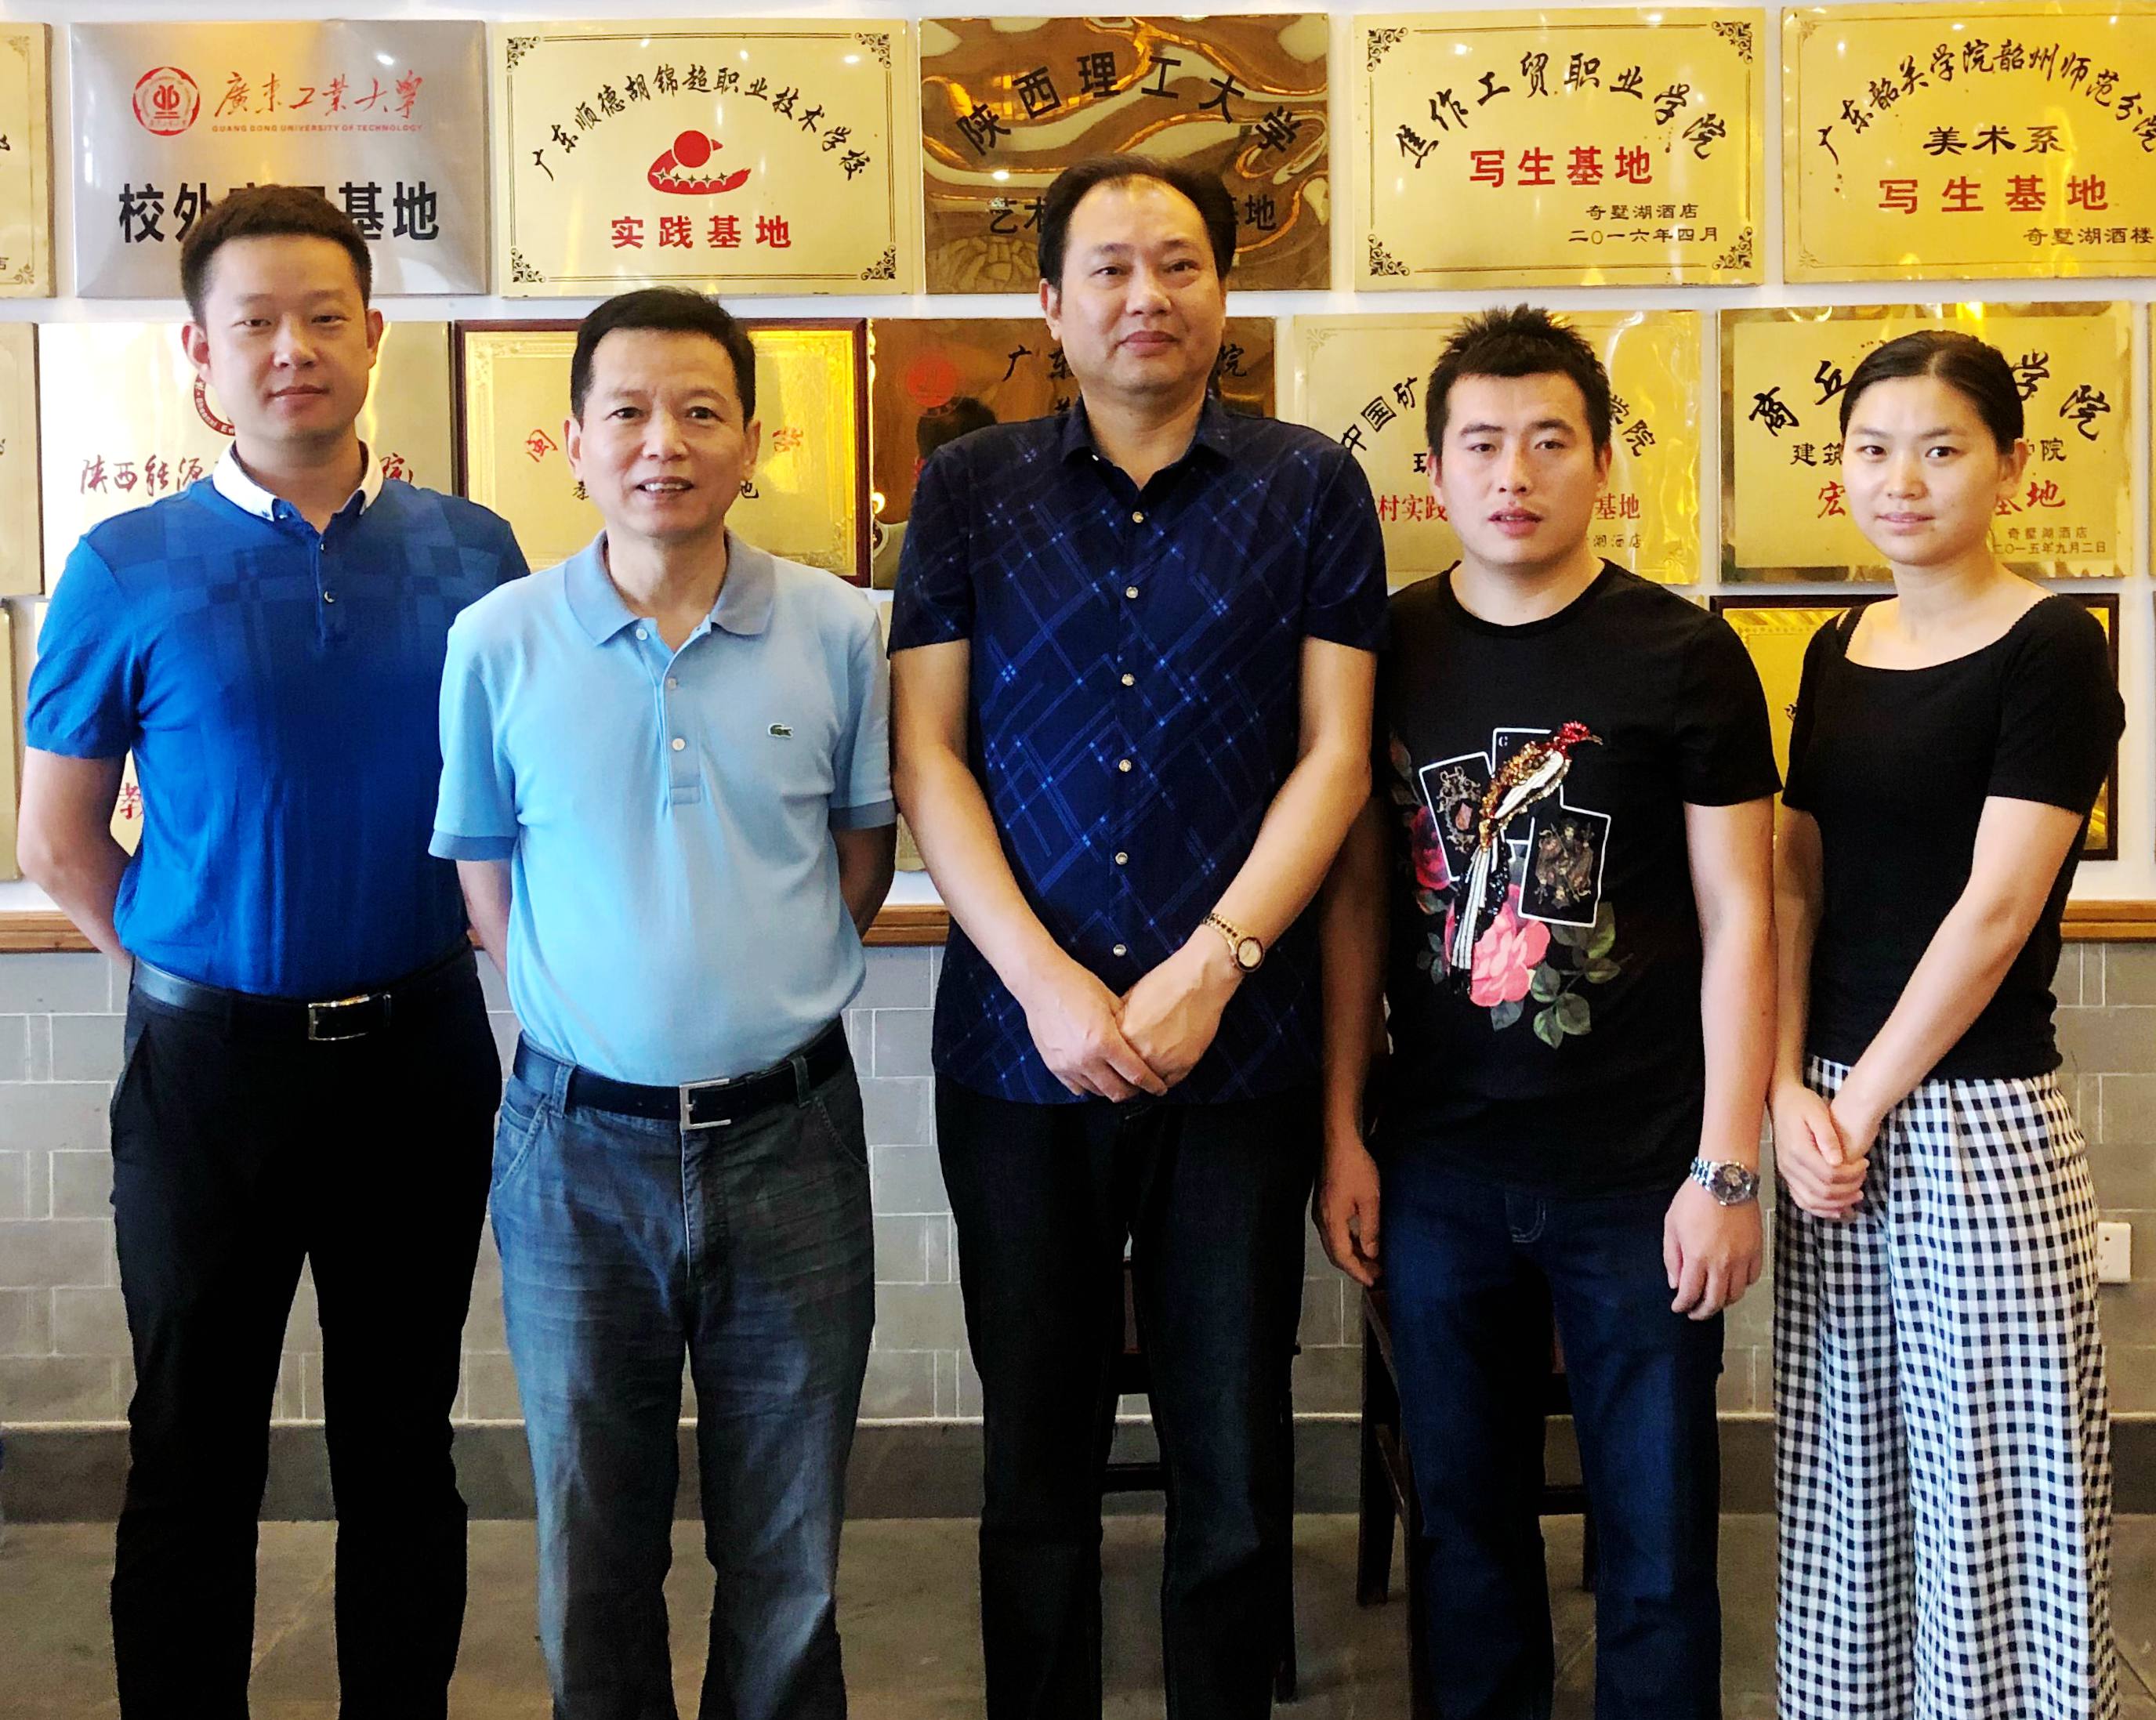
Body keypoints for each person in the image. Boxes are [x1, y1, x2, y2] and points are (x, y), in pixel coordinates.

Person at [16, 185, 527, 1716]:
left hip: (421, 1058)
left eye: (324, 318)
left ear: (374, 338)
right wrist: (188, 961)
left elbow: (522, 802)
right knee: (192, 1442)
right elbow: (58, 840)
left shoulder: (472, 551)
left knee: (403, 1443)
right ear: (200, 354)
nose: (292, 348)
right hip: (207, 1074)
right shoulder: (126, 564)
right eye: (254, 323)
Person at [890, 156, 1385, 1718]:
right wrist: (1046, 984)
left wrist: (1212, 965)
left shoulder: (1310, 486)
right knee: (1032, 1458)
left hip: (1236, 1058)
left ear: (1225, 293)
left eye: (1177, 263)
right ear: (1050, 301)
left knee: (1231, 1459)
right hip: (1013, 1057)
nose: (1144, 296)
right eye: (1107, 267)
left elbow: (1335, 757)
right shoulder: (970, 491)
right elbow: (927, 756)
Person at [431, 287, 895, 1720]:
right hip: (576, 1151)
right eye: (626, 412)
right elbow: (488, 884)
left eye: (701, 412)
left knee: (790, 1546)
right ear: (573, 441)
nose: (663, 443)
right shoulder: (497, 640)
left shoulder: (840, 629)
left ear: (751, 442)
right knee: (592, 1535)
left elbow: (861, 861)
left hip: (791, 1140)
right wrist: (599, 1015)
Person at [1317, 306, 1780, 1718]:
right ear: (1434, 472)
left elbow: (1742, 916)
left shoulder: (1683, 653)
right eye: (1480, 444)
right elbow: (1358, 900)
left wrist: (1727, 1168)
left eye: (1547, 441)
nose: (1512, 473)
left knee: (1657, 1541)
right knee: (1464, 1535)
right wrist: (1343, 1131)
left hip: (1639, 1175)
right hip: (1439, 1169)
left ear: (1603, 463)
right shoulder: (1383, 647)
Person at [1770, 330, 2123, 1720]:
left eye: (1940, 449)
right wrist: (1790, 1086)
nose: (1901, 480)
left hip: (1975, 1120)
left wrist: (1856, 1106)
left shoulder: (2055, 647)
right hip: (1826, 1118)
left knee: (1995, 1486)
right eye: (1872, 449)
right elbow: (1795, 877)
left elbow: (1997, 909)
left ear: (2010, 467)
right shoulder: (1834, 645)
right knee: (1845, 1476)